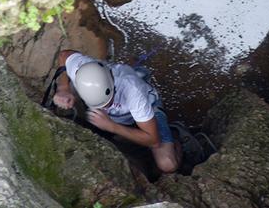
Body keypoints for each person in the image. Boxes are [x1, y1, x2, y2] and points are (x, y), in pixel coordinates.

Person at [52, 49, 182, 173]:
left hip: (148, 107)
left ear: (113, 85)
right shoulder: (81, 70)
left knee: (167, 164)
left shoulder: (133, 92)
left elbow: (153, 140)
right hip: (116, 115)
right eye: (102, 105)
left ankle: (174, 135)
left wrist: (112, 127)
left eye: (109, 102)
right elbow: (64, 55)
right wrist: (63, 88)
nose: (106, 107)